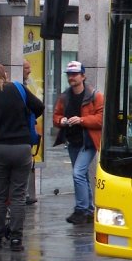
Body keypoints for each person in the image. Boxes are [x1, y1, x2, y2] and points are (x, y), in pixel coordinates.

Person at [0, 63, 44, 251]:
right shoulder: (18, 88)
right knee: (18, 196)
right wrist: (24, 119)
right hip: (21, 148)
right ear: (4, 75)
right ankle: (16, 239)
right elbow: (39, 106)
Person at [53, 61, 104, 225]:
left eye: (75, 74)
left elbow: (101, 119)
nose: (71, 77)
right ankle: (88, 210)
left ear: (83, 76)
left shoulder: (95, 96)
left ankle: (81, 209)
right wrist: (63, 121)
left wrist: (81, 120)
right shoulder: (64, 96)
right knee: (81, 175)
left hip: (88, 142)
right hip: (73, 141)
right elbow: (56, 117)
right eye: (69, 74)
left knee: (77, 173)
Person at [23, 59, 40, 206]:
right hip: (23, 138)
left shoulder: (24, 86)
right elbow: (39, 106)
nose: (29, 71)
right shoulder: (20, 88)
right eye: (27, 68)